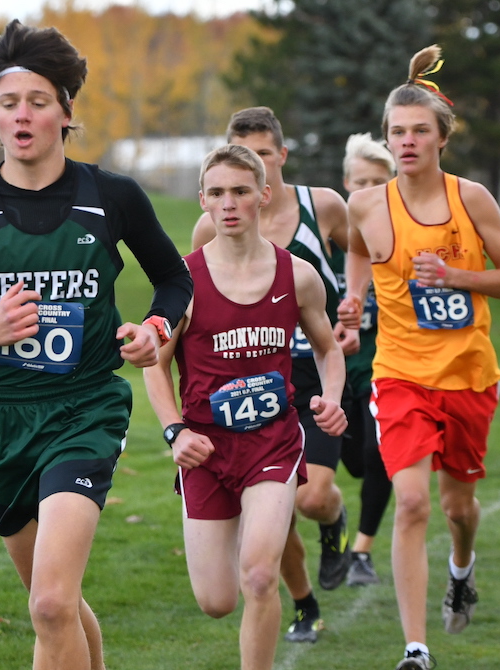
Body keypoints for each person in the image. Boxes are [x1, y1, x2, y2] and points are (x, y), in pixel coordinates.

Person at [0, 20, 192, 670]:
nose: (22, 115)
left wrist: (154, 330)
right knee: (55, 601)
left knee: (51, 605)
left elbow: (174, 279)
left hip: (85, 410)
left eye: (37, 101)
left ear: (65, 112)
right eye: (8, 102)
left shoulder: (110, 197)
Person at [338, 45, 500, 670]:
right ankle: (416, 650)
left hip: (469, 374)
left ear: (442, 137)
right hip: (399, 374)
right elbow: (359, 248)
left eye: (420, 131)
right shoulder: (366, 204)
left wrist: (455, 277)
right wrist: (355, 296)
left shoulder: (470, 198)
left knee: (457, 508)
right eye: (397, 132)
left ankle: (462, 566)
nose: (408, 141)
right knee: (413, 502)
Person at [143, 144, 347, 670]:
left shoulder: (297, 275)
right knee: (217, 601)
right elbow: (154, 366)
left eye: (239, 191)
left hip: (273, 442)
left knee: (259, 576)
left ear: (264, 194)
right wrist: (175, 433)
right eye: (217, 193)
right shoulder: (181, 281)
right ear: (202, 201)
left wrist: (331, 398)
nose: (229, 203)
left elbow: (327, 347)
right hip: (206, 450)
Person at [191, 107, 355, 643]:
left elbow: (366, 250)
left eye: (260, 156)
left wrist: (357, 297)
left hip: (301, 382)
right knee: (256, 547)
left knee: (308, 500)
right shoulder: (208, 229)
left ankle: (332, 526)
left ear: (276, 163)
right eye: (220, 188)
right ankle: (303, 599)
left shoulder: (322, 206)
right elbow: (197, 311)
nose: (231, 197)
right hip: (240, 385)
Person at [336, 132, 396, 586]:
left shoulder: (400, 240)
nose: (369, 190)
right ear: (346, 183)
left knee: (379, 456)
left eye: (379, 181)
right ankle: (334, 520)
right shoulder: (327, 239)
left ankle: (361, 549)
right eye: (361, 182)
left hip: (388, 366)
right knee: (354, 462)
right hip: (336, 371)